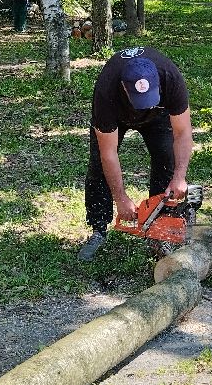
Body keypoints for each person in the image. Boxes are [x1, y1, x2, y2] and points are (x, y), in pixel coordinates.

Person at [78, 46, 193, 261]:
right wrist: (120, 198)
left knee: (166, 160)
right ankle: (98, 229)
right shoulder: (107, 91)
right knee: (98, 167)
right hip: (117, 115)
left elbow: (183, 132)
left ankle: (159, 228)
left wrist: (180, 177)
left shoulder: (171, 78)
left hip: (159, 115)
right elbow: (108, 154)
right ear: (123, 87)